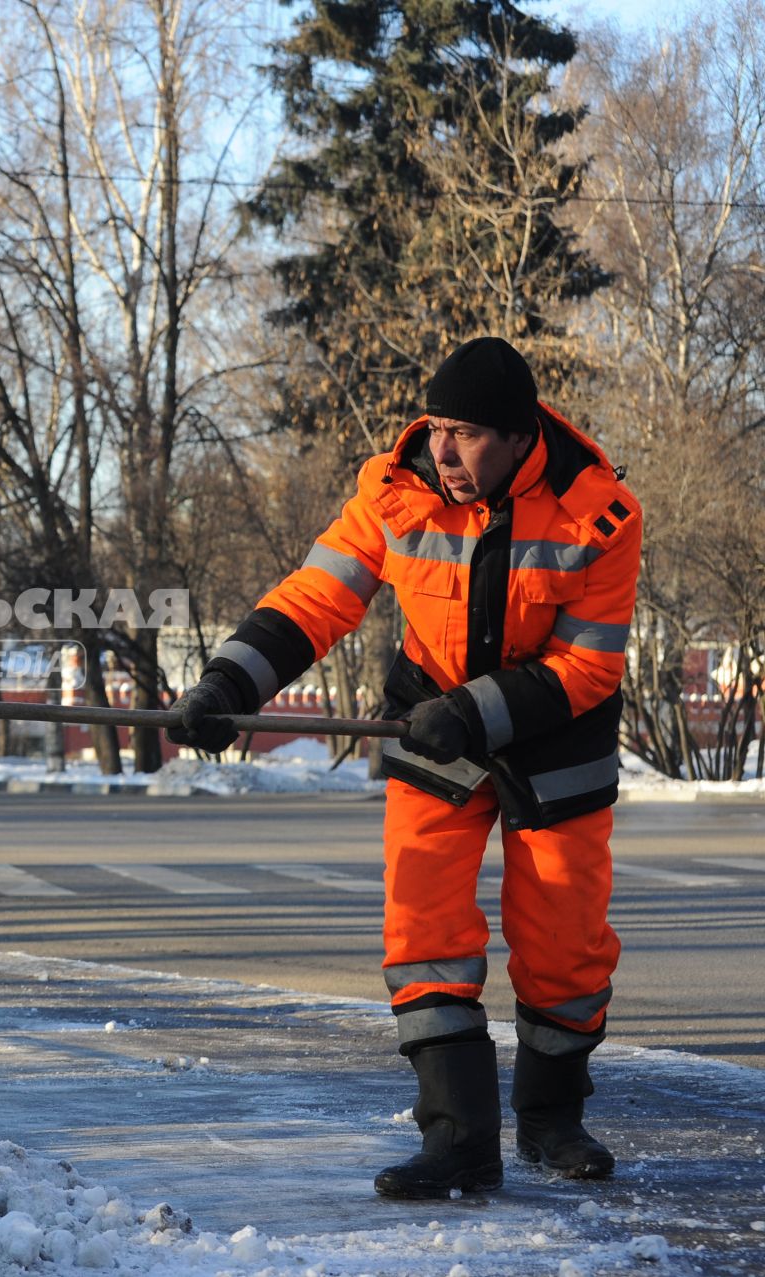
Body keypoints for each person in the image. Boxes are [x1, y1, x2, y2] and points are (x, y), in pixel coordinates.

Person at [167, 337, 640, 1199]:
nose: (444, 451)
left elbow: (588, 668)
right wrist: (229, 681)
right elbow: (318, 596)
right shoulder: (396, 490)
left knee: (565, 943)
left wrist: (477, 711)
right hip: (433, 718)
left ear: (518, 433)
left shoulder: (597, 512)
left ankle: (552, 1120)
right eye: (437, 429)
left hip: (553, 735)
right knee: (421, 922)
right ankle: (458, 1139)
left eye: (466, 435)